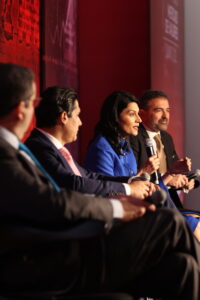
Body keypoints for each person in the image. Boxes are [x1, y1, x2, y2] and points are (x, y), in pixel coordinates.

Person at [0, 62, 200, 300]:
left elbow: (86, 177)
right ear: (21, 109)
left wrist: (132, 183)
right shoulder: (18, 151)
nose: (82, 122)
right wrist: (117, 208)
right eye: (33, 103)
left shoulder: (21, 149)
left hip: (68, 244)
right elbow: (59, 196)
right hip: (53, 259)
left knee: (182, 266)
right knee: (169, 221)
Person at [25, 86, 154, 200]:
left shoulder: (55, 148)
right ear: (64, 117)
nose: (80, 122)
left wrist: (132, 181)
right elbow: (74, 183)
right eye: (77, 115)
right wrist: (129, 189)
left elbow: (90, 176)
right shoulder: (39, 146)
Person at [129, 90, 200, 239]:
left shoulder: (167, 138)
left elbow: (175, 172)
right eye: (159, 110)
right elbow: (133, 176)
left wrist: (188, 180)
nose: (165, 116)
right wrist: (168, 178)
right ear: (142, 114)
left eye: (168, 110)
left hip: (170, 202)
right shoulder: (133, 137)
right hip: (148, 204)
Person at [84, 91, 159, 178]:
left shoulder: (126, 145)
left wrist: (169, 175)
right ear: (115, 116)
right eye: (132, 114)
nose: (139, 120)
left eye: (138, 114)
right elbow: (108, 189)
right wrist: (143, 174)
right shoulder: (102, 148)